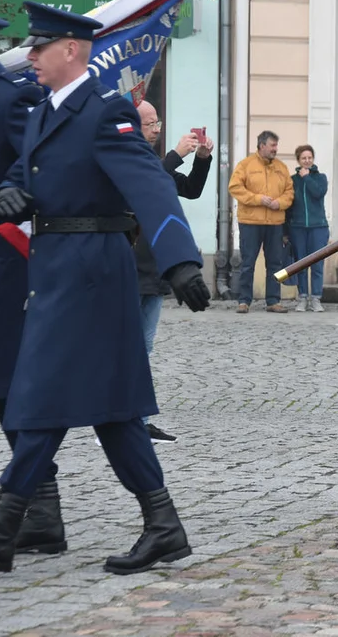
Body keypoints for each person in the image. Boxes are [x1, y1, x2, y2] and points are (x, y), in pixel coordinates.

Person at [0, 2, 210, 575]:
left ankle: (2, 527)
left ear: (71, 50)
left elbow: (150, 183)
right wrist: (10, 193)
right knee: (115, 409)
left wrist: (181, 260)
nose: (29, 56)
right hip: (54, 265)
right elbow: (24, 170)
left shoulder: (105, 112)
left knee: (39, 396)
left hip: (93, 269)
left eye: (39, 47)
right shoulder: (44, 110)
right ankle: (163, 526)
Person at [0, 8, 67, 556]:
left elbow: (36, 161)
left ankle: (32, 509)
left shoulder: (9, 97)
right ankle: (42, 509)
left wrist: (15, 195)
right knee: (6, 388)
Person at [133, 99, 214, 443]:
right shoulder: (129, 157)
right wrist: (177, 154)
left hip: (155, 267)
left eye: (157, 122)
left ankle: (140, 419)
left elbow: (191, 190)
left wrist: (202, 159)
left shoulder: (154, 159)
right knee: (131, 346)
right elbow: (144, 183)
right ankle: (126, 420)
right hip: (130, 266)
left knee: (144, 347)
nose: (156, 128)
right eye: (149, 123)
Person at [229, 130, 294, 313]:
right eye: (272, 145)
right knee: (248, 262)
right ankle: (244, 301)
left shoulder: (281, 167)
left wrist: (279, 203)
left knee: (275, 263)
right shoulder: (246, 165)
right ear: (262, 146)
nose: (275, 149)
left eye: (276, 145)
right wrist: (258, 199)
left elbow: (289, 192)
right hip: (250, 222)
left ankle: (273, 301)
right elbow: (235, 188)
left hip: (275, 223)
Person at [287, 144, 329, 312]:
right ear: (298, 160)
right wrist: (286, 230)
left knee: (317, 264)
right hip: (297, 227)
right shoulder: (292, 180)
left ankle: (316, 298)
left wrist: (307, 178)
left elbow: (318, 193)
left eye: (309, 158)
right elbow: (288, 206)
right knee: (301, 264)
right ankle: (303, 297)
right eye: (303, 158)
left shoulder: (320, 177)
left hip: (318, 226)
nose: (307, 161)